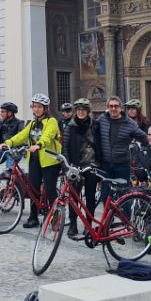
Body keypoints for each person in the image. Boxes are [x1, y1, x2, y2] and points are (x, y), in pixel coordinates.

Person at [0, 94, 61, 228]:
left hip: (50, 161)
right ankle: (33, 217)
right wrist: (8, 142)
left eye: (39, 107)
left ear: (45, 108)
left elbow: (48, 136)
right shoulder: (32, 123)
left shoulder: (51, 121)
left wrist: (39, 145)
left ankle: (55, 217)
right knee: (33, 189)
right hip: (34, 160)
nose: (37, 109)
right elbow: (22, 135)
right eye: (35, 106)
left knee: (50, 190)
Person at [95, 95, 148, 203]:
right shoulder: (102, 119)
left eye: (116, 106)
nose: (113, 109)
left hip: (122, 164)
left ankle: (126, 220)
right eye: (111, 106)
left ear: (121, 108)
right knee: (105, 195)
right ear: (108, 107)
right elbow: (91, 133)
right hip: (105, 164)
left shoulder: (130, 123)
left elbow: (144, 138)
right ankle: (108, 220)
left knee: (124, 196)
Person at [61, 98, 98, 238]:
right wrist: (66, 167)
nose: (81, 112)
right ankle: (73, 225)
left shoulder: (95, 125)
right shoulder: (70, 127)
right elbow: (65, 149)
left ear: (88, 111)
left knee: (90, 196)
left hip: (91, 165)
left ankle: (89, 225)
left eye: (83, 109)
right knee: (73, 197)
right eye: (79, 110)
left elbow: (99, 144)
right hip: (75, 166)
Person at [0, 102, 24, 170]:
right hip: (3, 149)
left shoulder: (19, 123)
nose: (0, 114)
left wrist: (8, 145)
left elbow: (21, 139)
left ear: (9, 113)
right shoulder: (1, 123)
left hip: (15, 151)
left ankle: (12, 178)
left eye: (3, 112)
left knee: (9, 169)